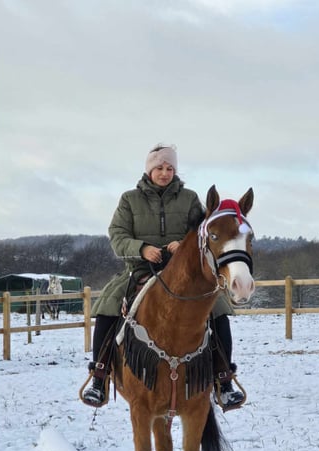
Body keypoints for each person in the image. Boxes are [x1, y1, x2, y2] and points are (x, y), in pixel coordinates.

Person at [83, 144, 244, 410]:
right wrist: (141, 249)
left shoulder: (190, 198)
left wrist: (183, 245)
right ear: (149, 170)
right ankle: (99, 377)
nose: (165, 173)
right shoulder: (129, 200)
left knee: (219, 309)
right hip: (140, 269)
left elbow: (203, 232)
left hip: (187, 273)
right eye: (159, 168)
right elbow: (117, 235)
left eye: (170, 168)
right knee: (108, 307)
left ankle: (223, 381)